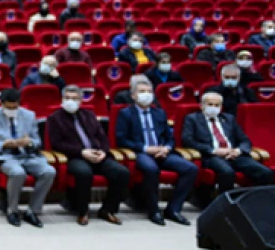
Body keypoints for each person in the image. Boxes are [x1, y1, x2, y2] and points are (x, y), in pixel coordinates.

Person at [114, 76, 197, 226]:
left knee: (190, 169)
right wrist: (146, 148)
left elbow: (170, 138)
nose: (146, 94)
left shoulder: (159, 113)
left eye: (149, 91)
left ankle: (173, 208)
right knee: (151, 169)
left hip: (162, 152)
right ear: (133, 95)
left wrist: (166, 148)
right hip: (141, 152)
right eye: (142, 91)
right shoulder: (125, 114)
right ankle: (154, 210)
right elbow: (122, 140)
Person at [47, 85, 130, 225]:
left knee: (122, 172)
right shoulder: (55, 118)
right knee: (84, 173)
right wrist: (81, 152)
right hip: (74, 156)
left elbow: (102, 136)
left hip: (97, 154)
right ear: (62, 99)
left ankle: (107, 209)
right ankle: (83, 211)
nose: (70, 101)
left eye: (74, 98)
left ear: (80, 100)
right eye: (67, 98)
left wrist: (103, 151)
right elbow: (57, 143)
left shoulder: (89, 115)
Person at [0, 88, 55, 228]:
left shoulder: (29, 115)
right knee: (18, 173)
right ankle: (12, 210)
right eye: (8, 107)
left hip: (29, 155)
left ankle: (32, 211)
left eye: (15, 107)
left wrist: (29, 142)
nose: (12, 109)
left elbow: (38, 141)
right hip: (6, 156)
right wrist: (3, 144)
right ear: (2, 104)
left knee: (49, 172)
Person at [183, 91, 274, 193]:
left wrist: (238, 150)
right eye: (210, 104)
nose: (213, 107)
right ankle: (226, 205)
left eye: (217, 105)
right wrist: (214, 151)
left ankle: (250, 201)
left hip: (234, 155)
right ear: (201, 106)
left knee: (265, 172)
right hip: (212, 156)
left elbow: (245, 140)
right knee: (227, 172)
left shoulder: (229, 119)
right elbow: (188, 140)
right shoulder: (192, 119)